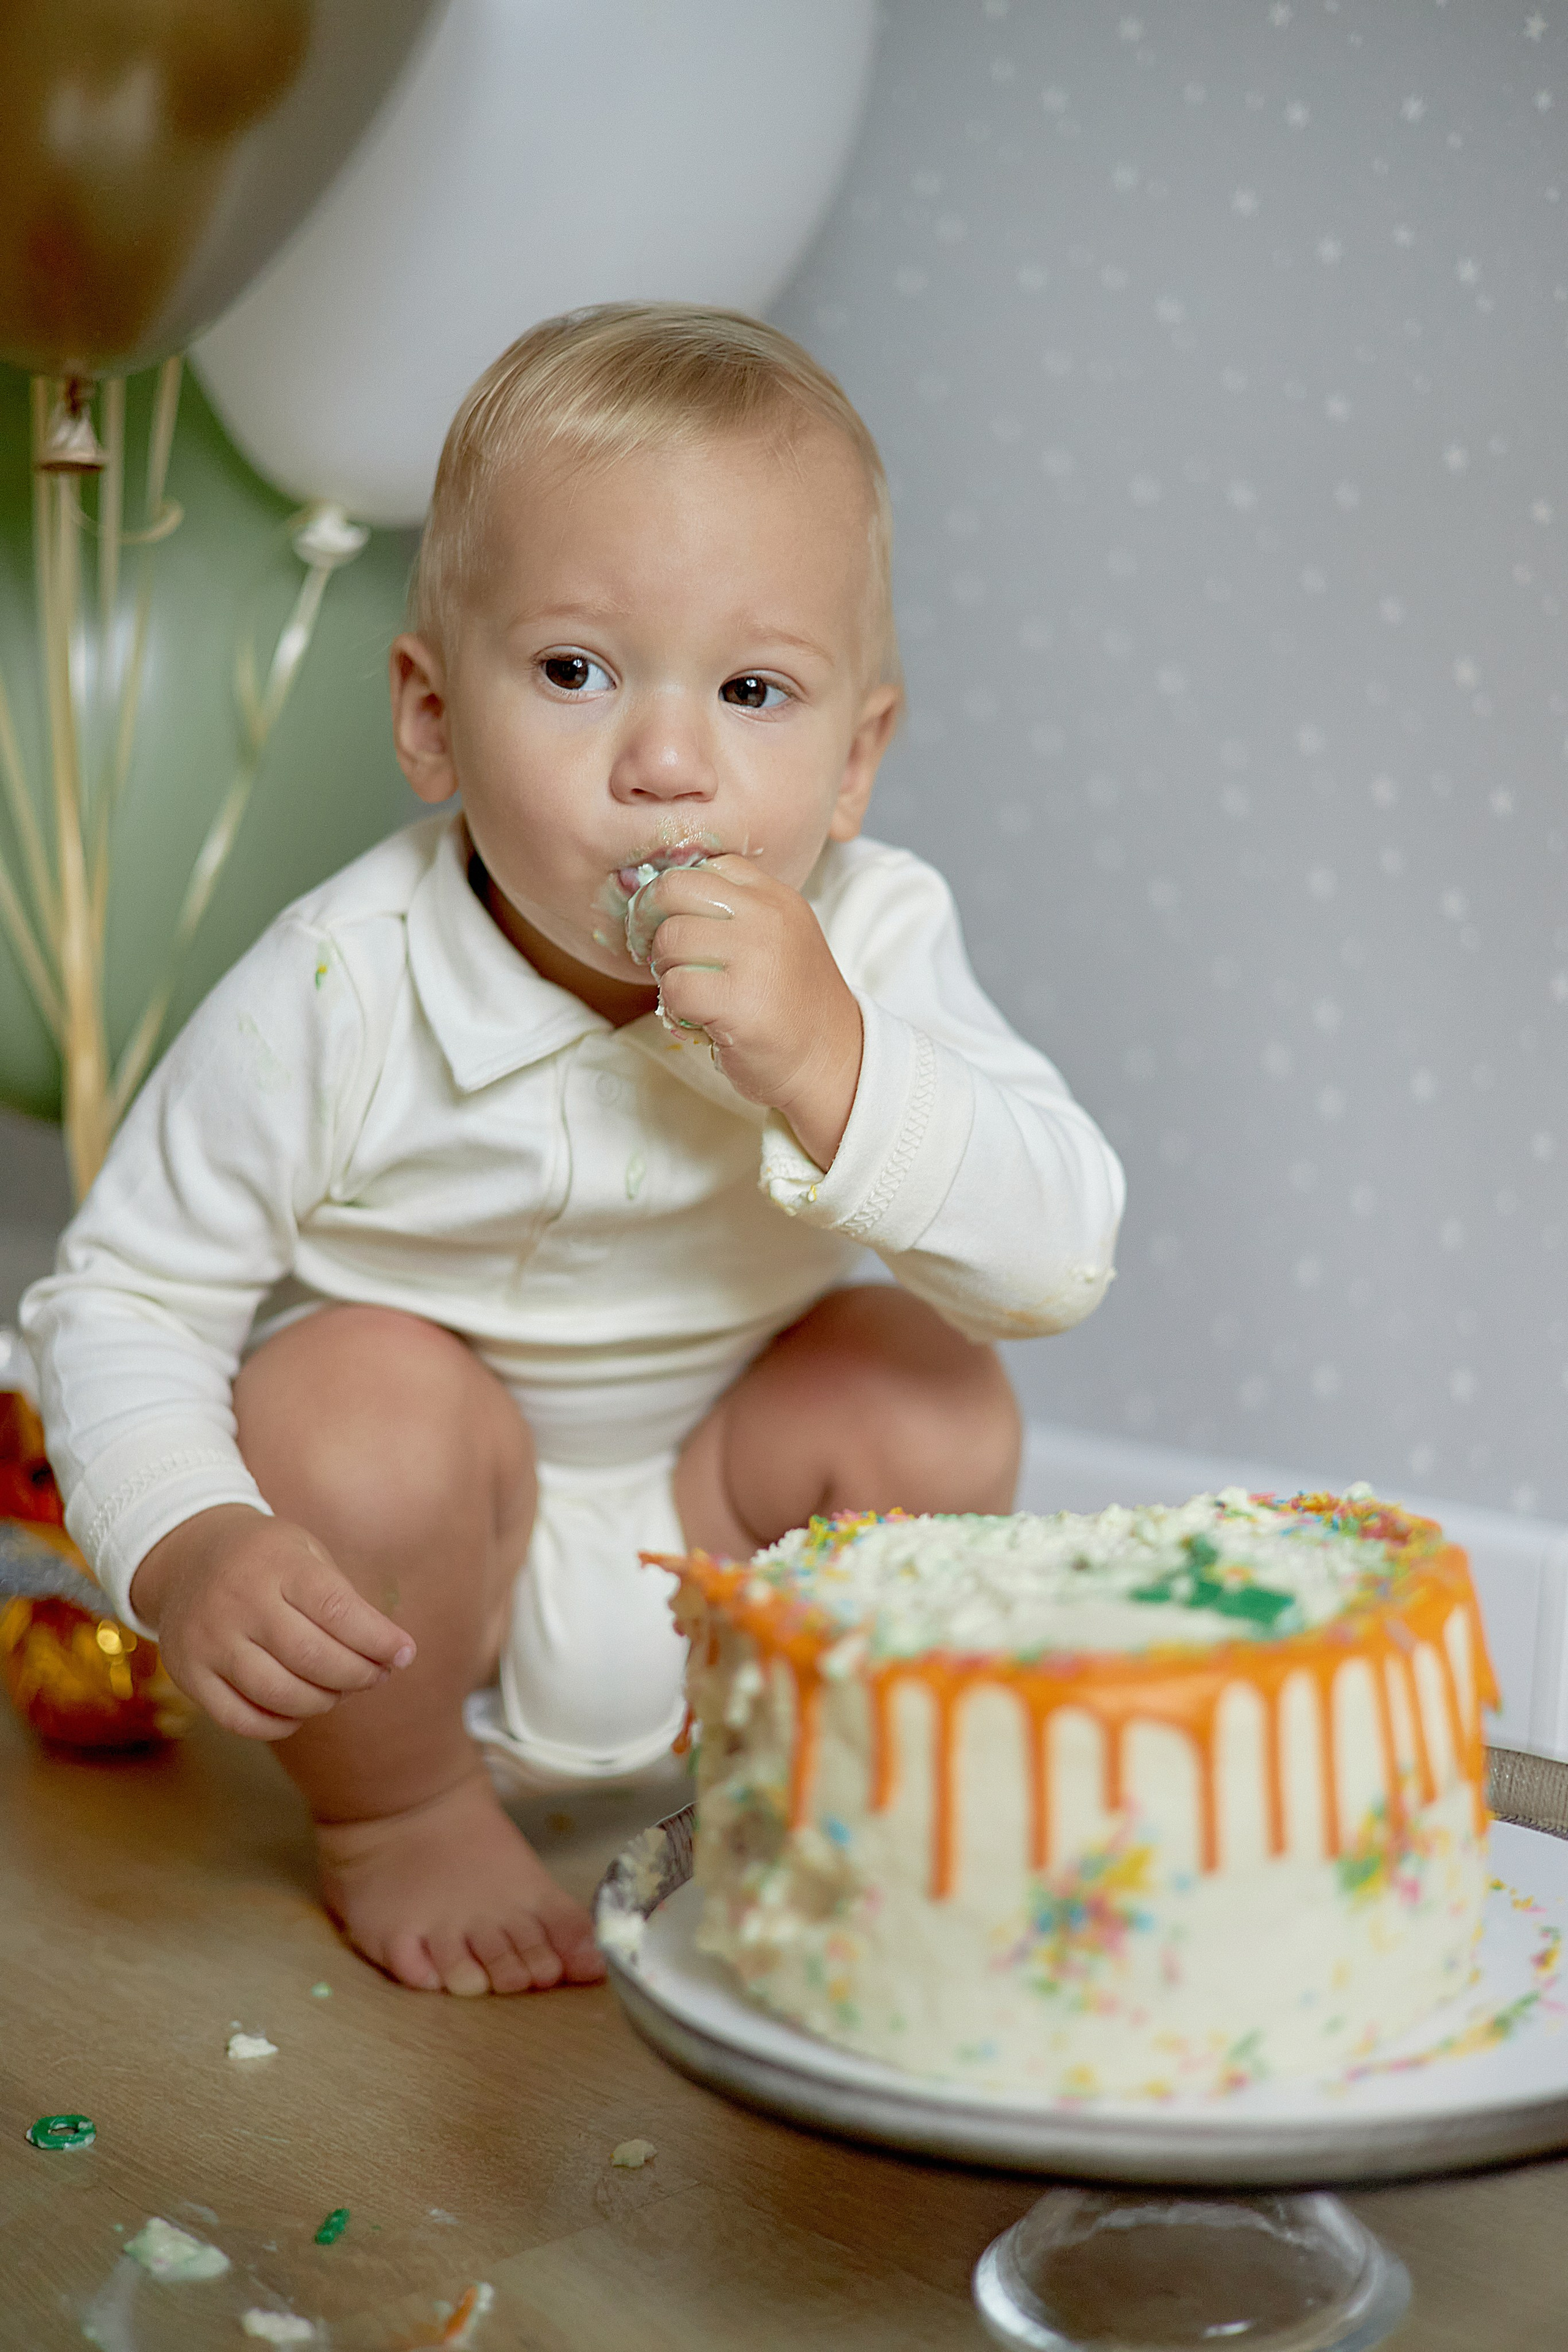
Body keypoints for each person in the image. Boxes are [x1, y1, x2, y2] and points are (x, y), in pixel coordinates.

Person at [22, 304, 1125, 1999]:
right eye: (574, 672)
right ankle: (396, 1815)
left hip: (722, 1517)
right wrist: (189, 1537)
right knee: (346, 1403)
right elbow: (121, 1298)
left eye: (755, 692)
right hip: (423, 1574)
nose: (667, 767)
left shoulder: (879, 935)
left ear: (856, 765)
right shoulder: (343, 976)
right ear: (429, 720)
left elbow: (1059, 1259)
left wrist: (834, 1062)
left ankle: (809, 1781)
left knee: (927, 1385)